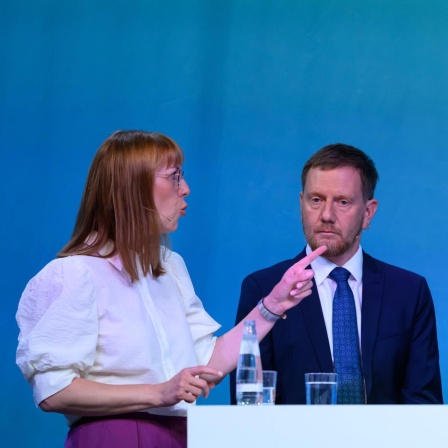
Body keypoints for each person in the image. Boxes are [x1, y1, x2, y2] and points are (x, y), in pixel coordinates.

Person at [16, 130, 327, 448]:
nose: (186, 189)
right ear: (132, 187)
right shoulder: (74, 274)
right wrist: (159, 392)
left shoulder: (170, 266)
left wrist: (273, 305)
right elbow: (54, 391)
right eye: (174, 177)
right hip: (114, 437)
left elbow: (206, 364)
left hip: (178, 436)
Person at [231, 143, 443, 405]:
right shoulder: (264, 289)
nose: (327, 215)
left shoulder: (409, 292)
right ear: (301, 204)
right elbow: (249, 405)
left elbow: (423, 405)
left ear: (368, 213)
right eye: (316, 200)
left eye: (342, 202)